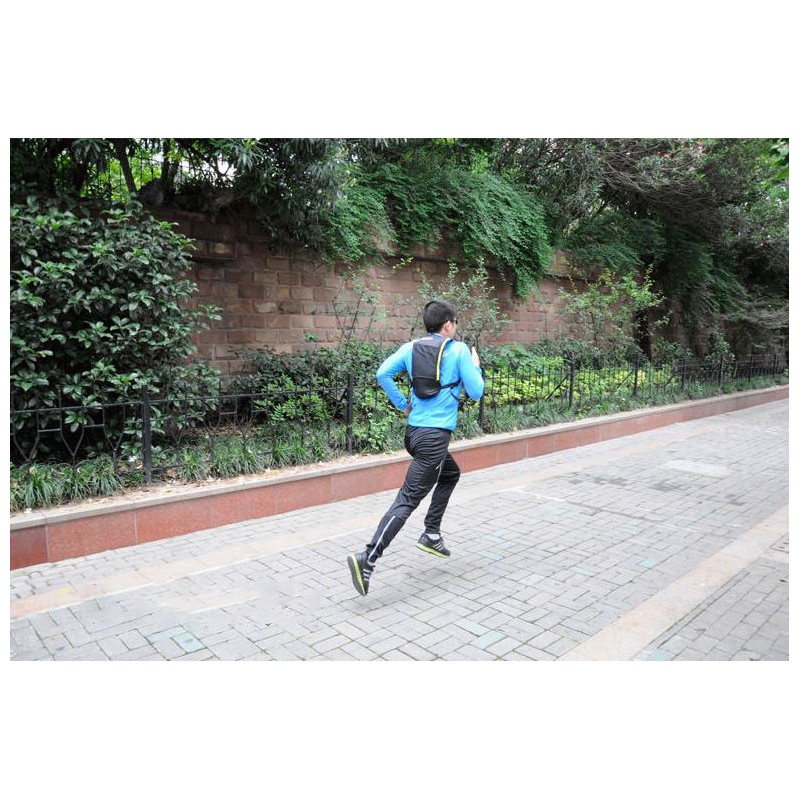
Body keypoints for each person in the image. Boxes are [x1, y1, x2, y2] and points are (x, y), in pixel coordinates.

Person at [347, 299, 485, 596]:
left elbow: (382, 373)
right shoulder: (459, 350)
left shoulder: (411, 347)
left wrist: (402, 404)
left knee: (450, 474)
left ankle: (431, 533)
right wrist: (476, 367)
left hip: (414, 434)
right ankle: (367, 557)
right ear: (447, 324)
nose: (455, 327)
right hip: (433, 439)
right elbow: (476, 392)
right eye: (455, 322)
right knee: (407, 500)